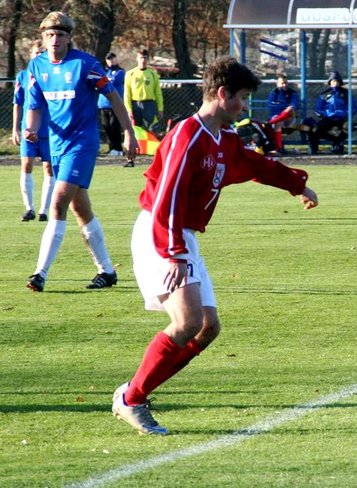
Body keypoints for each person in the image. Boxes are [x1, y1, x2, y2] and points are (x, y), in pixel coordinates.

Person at [111, 56, 318, 435]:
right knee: (187, 322)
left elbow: (254, 165)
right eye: (242, 97)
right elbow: (167, 197)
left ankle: (134, 392)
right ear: (223, 94)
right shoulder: (186, 136)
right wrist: (173, 252)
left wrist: (296, 184)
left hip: (181, 235)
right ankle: (132, 398)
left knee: (207, 328)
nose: (245, 105)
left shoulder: (224, 139)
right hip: (161, 231)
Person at [23, 11, 137, 293]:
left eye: (60, 34)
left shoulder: (85, 64)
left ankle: (40, 274)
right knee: (79, 208)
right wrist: (30, 130)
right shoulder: (36, 66)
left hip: (82, 144)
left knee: (57, 202)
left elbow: (113, 96)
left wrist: (128, 132)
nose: (55, 39)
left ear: (69, 38)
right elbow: (34, 107)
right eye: (50, 34)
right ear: (43, 37)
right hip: (57, 145)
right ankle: (107, 270)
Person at [12, 40, 54, 223]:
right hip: (28, 129)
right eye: (36, 52)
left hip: (49, 129)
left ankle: (44, 210)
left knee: (49, 168)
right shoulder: (22, 76)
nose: (39, 55)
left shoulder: (51, 75)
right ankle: (29, 208)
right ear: (30, 55)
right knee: (26, 164)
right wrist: (15, 129)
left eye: (42, 52)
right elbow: (18, 104)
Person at [306, 71, 357, 155]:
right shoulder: (325, 94)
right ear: (330, 82)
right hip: (328, 118)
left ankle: (338, 143)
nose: (335, 83)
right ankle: (335, 141)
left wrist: (343, 113)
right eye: (333, 81)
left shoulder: (346, 93)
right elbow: (318, 108)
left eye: (337, 81)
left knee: (350, 126)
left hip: (342, 118)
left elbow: (353, 107)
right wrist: (327, 114)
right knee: (317, 129)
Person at [124, 49, 164, 134]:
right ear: (137, 58)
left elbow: (158, 93)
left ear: (148, 59)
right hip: (135, 104)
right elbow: (127, 94)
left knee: (152, 130)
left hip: (149, 105)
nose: (143, 60)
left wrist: (160, 108)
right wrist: (129, 109)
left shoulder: (153, 74)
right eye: (141, 57)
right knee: (136, 131)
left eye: (145, 58)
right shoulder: (130, 74)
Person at [97, 52, 125, 156]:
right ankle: (111, 147)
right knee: (106, 126)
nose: (111, 61)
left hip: (114, 104)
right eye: (109, 59)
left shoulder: (120, 71)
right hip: (103, 104)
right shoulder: (104, 72)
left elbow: (112, 82)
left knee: (114, 126)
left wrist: (104, 81)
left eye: (113, 58)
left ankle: (118, 148)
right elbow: (98, 83)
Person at [267, 73, 299, 155]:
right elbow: (272, 106)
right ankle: (279, 148)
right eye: (282, 83)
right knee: (278, 123)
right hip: (276, 118)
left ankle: (269, 123)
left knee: (290, 109)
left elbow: (295, 105)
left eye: (285, 83)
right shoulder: (274, 93)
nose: (284, 85)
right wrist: (286, 106)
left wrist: (284, 107)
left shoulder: (292, 93)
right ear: (277, 84)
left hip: (289, 119)